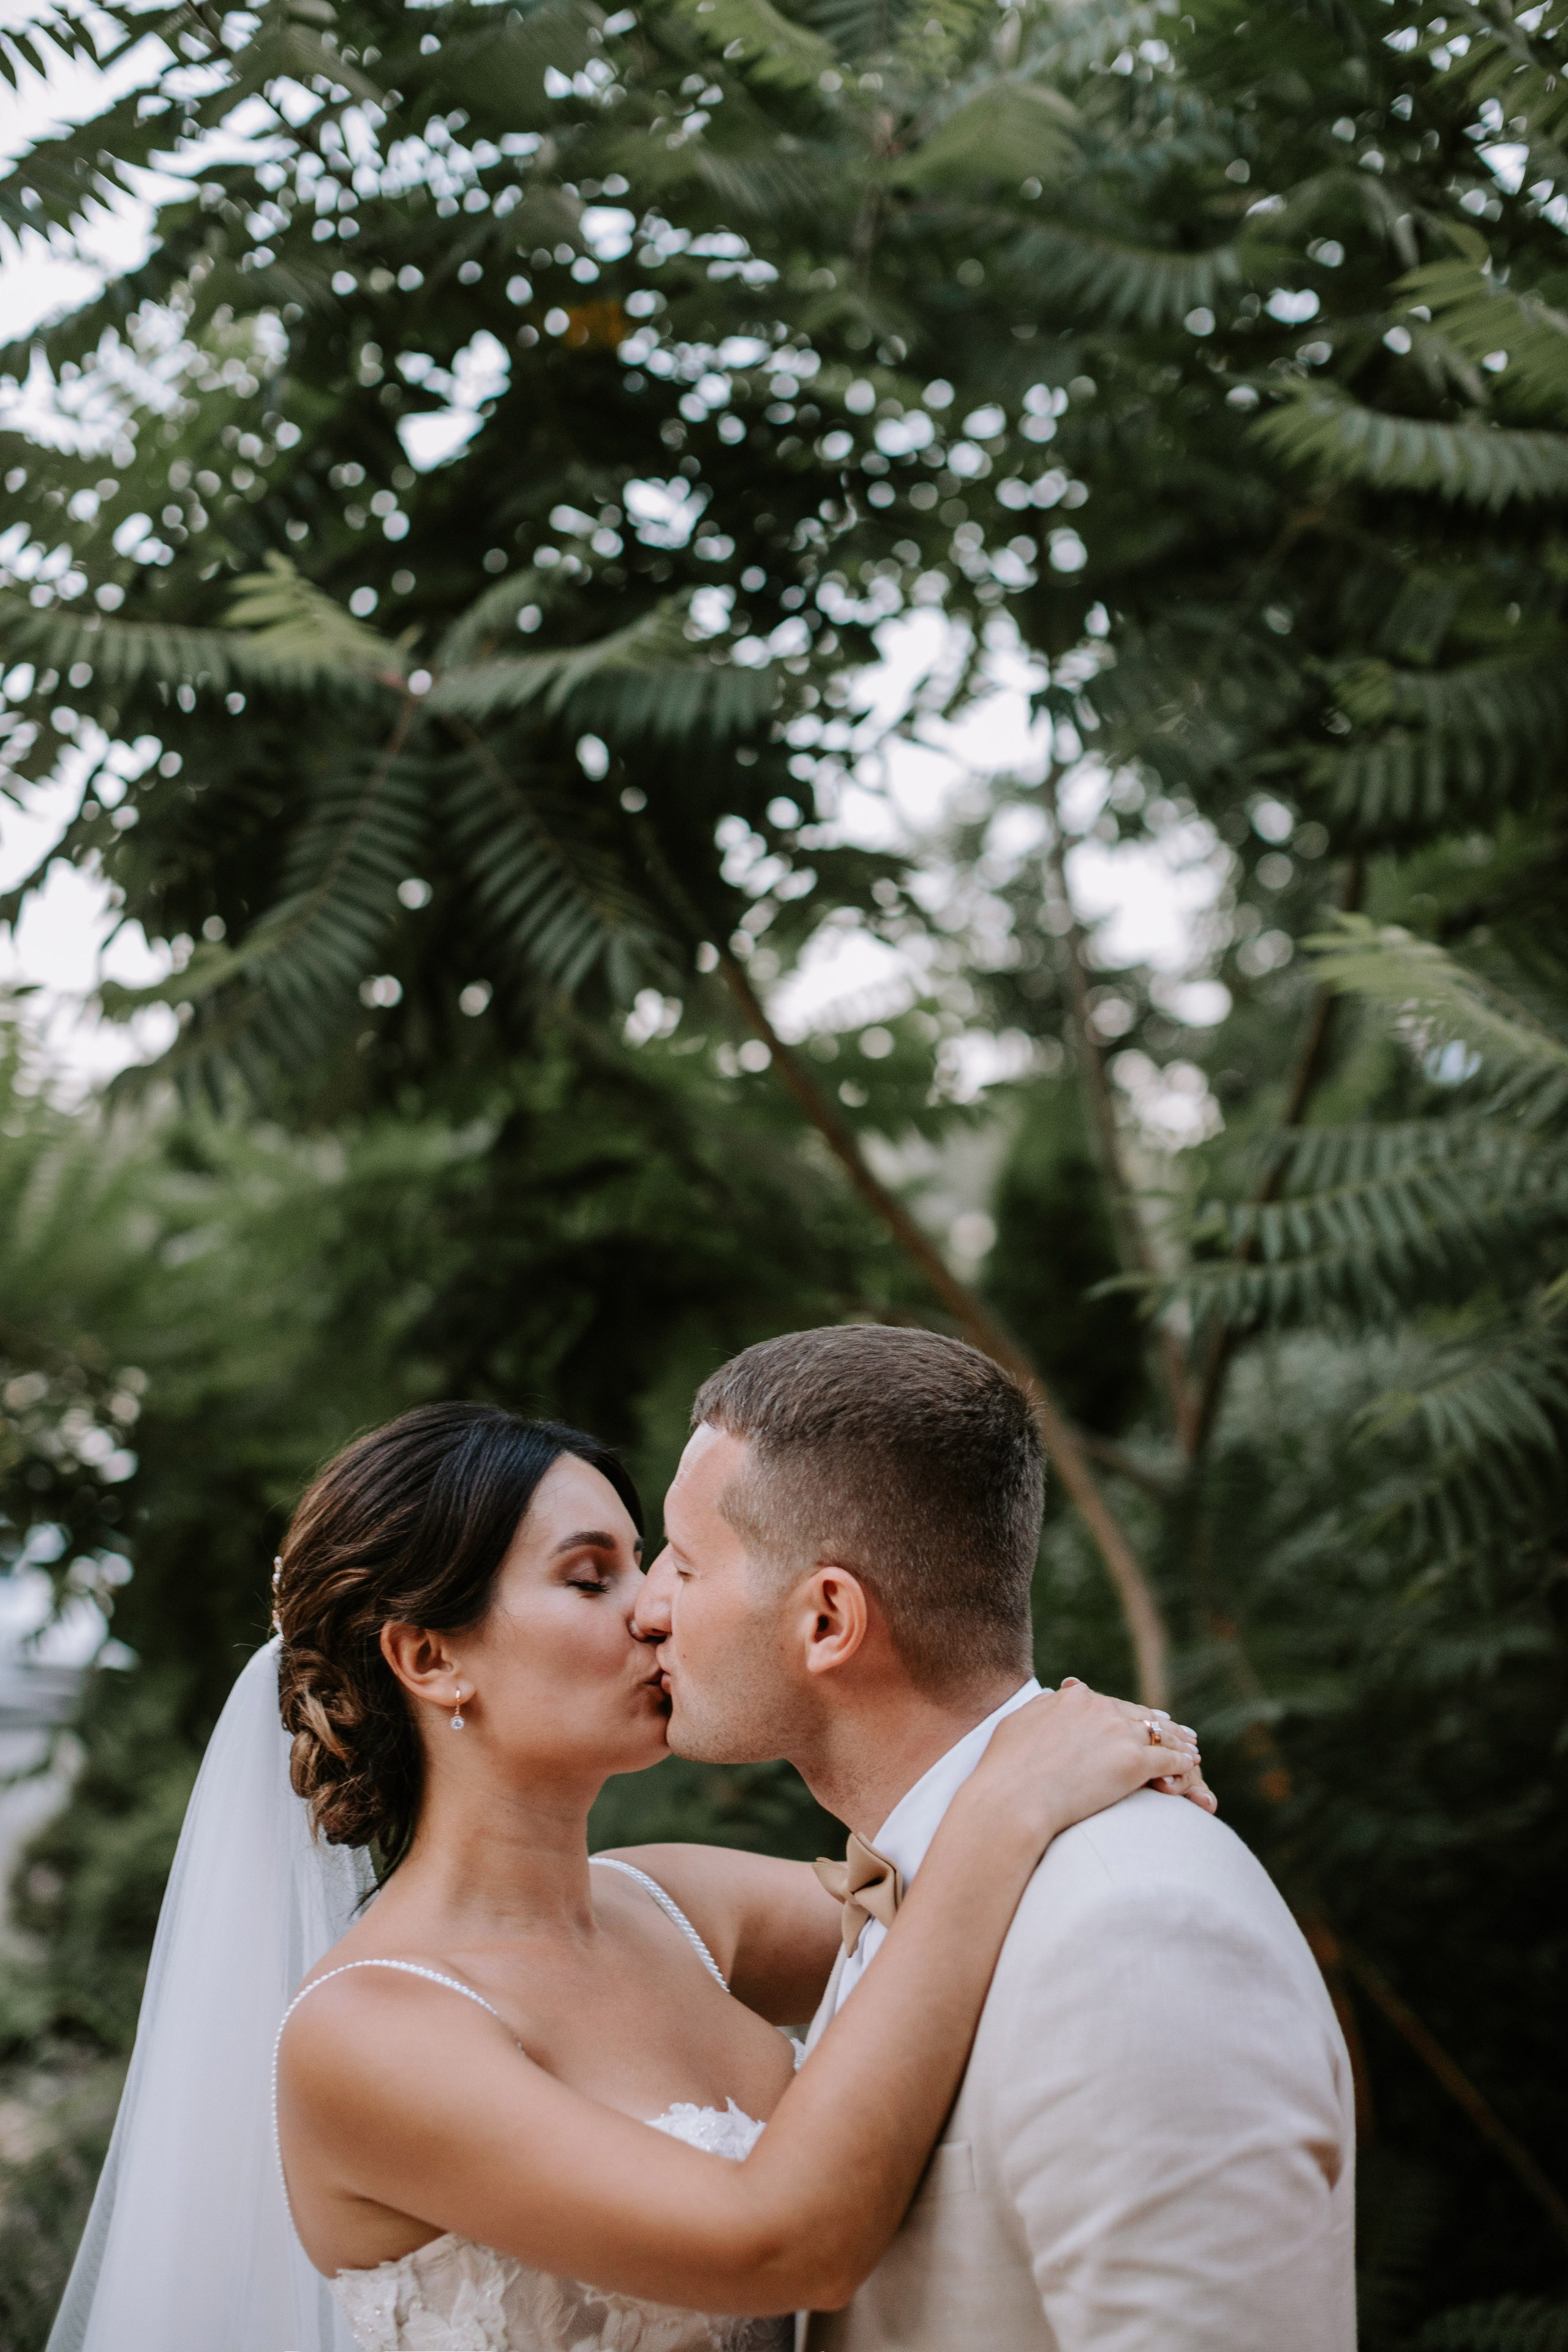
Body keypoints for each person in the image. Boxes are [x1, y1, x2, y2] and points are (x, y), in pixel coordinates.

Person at [48, 1398, 1208, 2352]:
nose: (656, 1609)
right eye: (590, 1577)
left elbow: (950, 1911)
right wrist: (1009, 1807)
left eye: (649, 1564)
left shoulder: (681, 1904)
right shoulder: (368, 2034)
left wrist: (1083, 1764)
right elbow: (780, 2244)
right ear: (431, 1657)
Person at [633, 1325, 1358, 2352]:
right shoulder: (907, 1881)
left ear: (828, 1620)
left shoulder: (1133, 1927)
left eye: (684, 1562)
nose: (648, 1607)